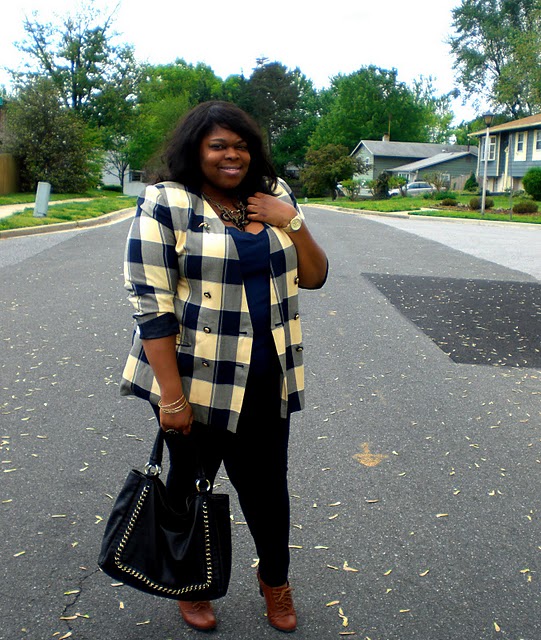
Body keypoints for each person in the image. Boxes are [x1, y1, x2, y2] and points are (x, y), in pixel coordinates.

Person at [120, 100, 328, 633]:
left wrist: (292, 221)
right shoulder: (168, 202)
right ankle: (190, 582)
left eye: (241, 145)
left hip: (266, 377)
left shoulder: (273, 194)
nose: (231, 155)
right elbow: (151, 304)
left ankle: (274, 582)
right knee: (190, 484)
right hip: (195, 381)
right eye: (218, 146)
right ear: (196, 150)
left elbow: (315, 275)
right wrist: (172, 398)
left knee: (268, 490)